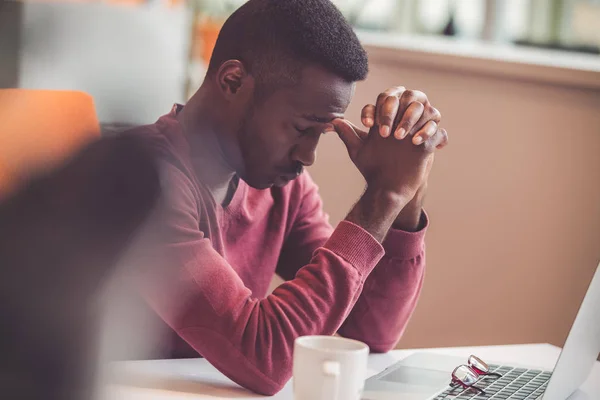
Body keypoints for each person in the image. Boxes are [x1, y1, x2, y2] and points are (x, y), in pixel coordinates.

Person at [122, 0, 449, 395]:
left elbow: (366, 332)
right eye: (301, 127)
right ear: (233, 82)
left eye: (321, 133)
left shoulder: (284, 188)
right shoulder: (141, 185)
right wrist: (382, 196)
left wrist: (404, 198)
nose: (307, 156)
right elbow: (264, 357)